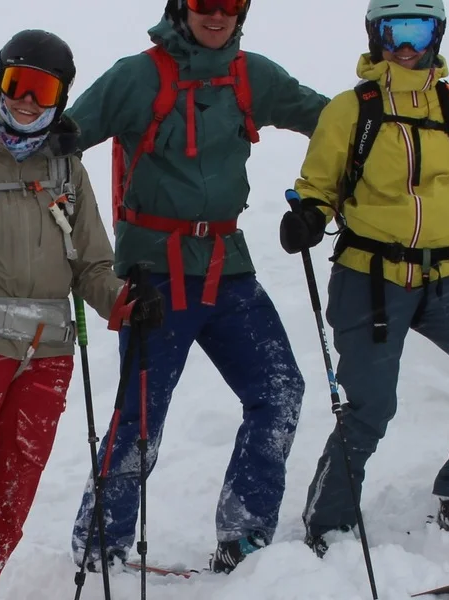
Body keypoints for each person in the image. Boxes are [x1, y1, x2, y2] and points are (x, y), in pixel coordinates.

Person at [65, 0, 331, 573]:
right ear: (181, 8)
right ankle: (100, 543)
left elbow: (332, 122)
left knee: (280, 390)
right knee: (140, 415)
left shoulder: (251, 75)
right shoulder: (137, 77)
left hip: (227, 266)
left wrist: (384, 132)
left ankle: (244, 535)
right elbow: (62, 141)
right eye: (204, 3)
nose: (217, 14)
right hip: (154, 274)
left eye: (230, 4)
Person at [283, 0, 449, 548]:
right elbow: (318, 185)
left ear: (435, 35)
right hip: (370, 277)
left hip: (445, 276)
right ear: (375, 35)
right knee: (370, 407)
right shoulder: (351, 109)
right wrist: (308, 216)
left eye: (417, 30)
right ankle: (328, 522)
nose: (404, 44)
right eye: (393, 30)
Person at [0, 30, 140, 600]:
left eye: (44, 90)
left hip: (48, 356)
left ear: (61, 99)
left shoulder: (68, 172)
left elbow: (92, 264)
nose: (28, 101)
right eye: (18, 84)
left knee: (11, 497)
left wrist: (124, 301)